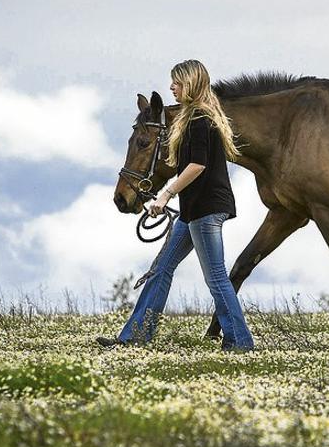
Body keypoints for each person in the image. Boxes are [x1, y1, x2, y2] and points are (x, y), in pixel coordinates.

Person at [96, 59, 255, 351]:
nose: (172, 87)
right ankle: (134, 337)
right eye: (172, 82)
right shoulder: (192, 118)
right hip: (193, 209)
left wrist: (166, 194)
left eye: (177, 83)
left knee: (216, 277)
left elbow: (197, 165)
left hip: (206, 209)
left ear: (192, 85)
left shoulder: (198, 119)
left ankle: (241, 342)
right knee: (161, 268)